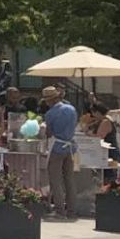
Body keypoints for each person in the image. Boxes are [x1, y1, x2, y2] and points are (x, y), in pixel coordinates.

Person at [42, 85, 78, 219]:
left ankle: (60, 211)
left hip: (57, 147)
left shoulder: (50, 113)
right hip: (70, 147)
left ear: (49, 100)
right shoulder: (72, 109)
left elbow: (49, 132)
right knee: (69, 179)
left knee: (55, 180)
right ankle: (72, 210)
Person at [88, 100, 120, 183]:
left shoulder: (105, 122)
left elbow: (99, 137)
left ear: (98, 112)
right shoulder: (101, 121)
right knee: (104, 177)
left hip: (110, 153)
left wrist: (88, 134)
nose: (93, 115)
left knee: (108, 178)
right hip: (105, 153)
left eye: (93, 113)